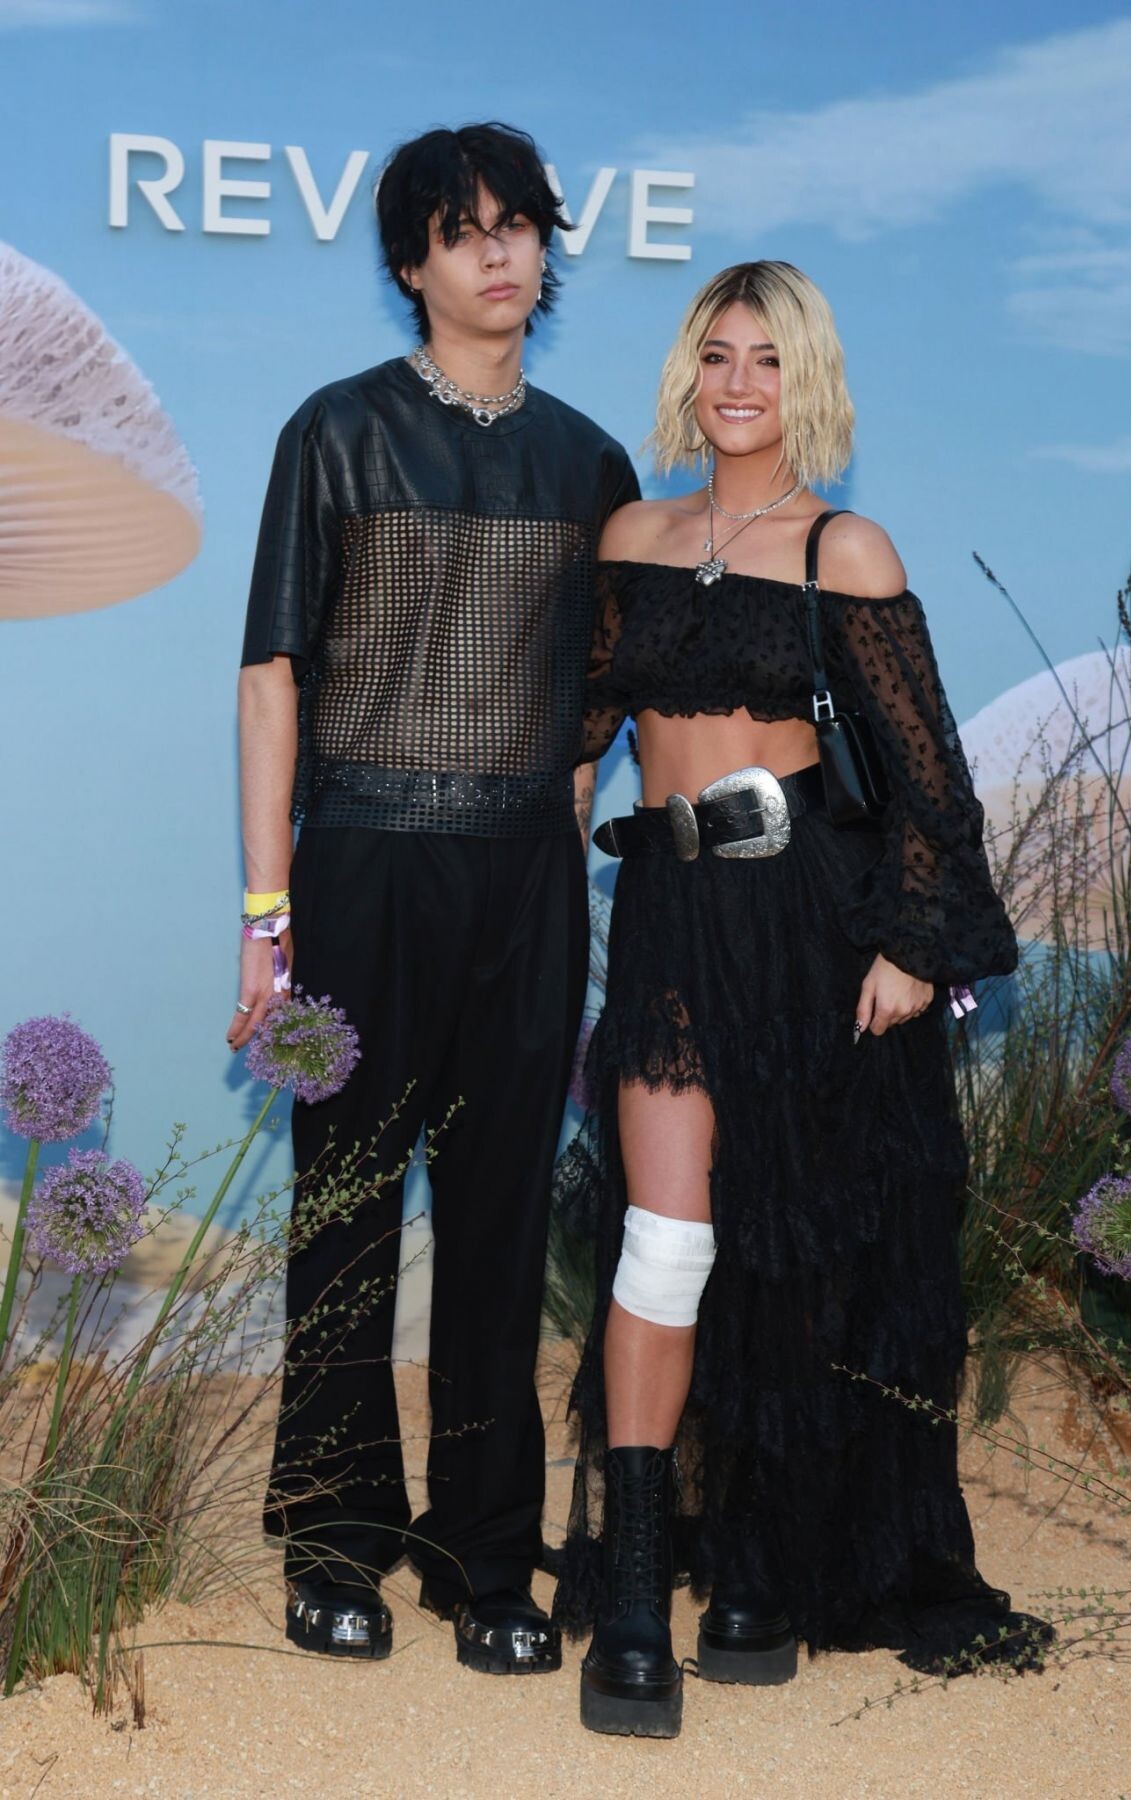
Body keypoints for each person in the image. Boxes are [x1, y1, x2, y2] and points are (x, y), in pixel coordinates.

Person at [554, 260, 1049, 1737]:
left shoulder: (847, 549)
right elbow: (583, 736)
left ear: (807, 378)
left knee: (785, 1252)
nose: (738, 383)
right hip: (668, 916)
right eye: (717, 354)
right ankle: (635, 1600)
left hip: (811, 932)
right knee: (666, 1246)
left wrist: (910, 947)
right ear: (687, 373)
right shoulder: (633, 537)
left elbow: (931, 783)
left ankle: (758, 1574)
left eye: (768, 358)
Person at [229, 120, 639, 1672]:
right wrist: (267, 915)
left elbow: (595, 710)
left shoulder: (590, 463)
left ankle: (486, 1557)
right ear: (412, 263)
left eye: (517, 226)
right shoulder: (335, 433)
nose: (497, 255)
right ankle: (335, 1542)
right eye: (463, 232)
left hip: (526, 876)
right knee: (344, 1213)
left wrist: (556, 848)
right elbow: (271, 680)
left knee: (499, 1220)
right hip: (364, 863)